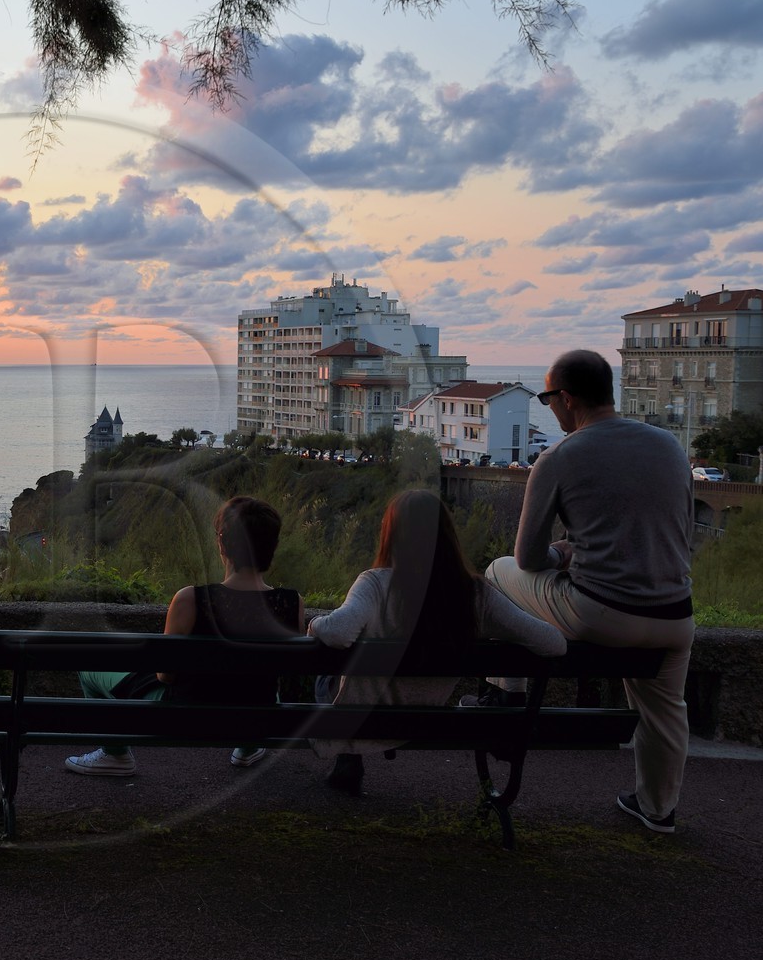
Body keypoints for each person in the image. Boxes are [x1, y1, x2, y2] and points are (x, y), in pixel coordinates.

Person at [483, 348, 695, 834]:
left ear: (567, 398)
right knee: (666, 710)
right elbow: (678, 533)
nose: (548, 407)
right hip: (674, 617)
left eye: (547, 397)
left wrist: (564, 553)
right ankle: (658, 810)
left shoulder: (560, 456)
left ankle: (506, 695)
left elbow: (528, 560)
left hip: (600, 613)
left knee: (497, 572)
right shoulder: (668, 446)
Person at [307, 489, 565, 793]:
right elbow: (554, 644)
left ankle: (349, 756)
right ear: (448, 536)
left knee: (325, 680)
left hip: (365, 718)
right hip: (426, 719)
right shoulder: (476, 595)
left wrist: (314, 624)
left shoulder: (375, 583)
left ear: (391, 535)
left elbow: (338, 633)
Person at [64, 495, 304, 776]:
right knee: (258, 685)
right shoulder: (291, 602)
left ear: (222, 542)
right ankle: (248, 748)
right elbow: (286, 670)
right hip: (258, 717)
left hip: (185, 717)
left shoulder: (190, 599)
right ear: (272, 546)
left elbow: (166, 676)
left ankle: (114, 754)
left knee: (90, 668)